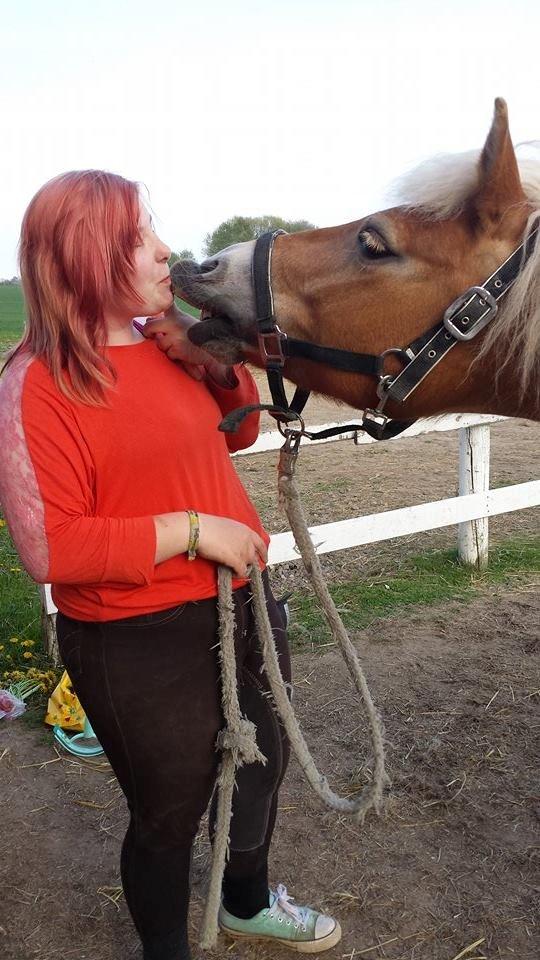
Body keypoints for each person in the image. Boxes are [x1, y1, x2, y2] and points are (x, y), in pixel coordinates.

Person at [0, 170, 341, 960]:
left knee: (261, 766)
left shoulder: (169, 340)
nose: (164, 250)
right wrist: (191, 530)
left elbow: (233, 435)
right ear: (84, 260)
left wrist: (212, 364)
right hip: (134, 635)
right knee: (170, 809)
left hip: (241, 601)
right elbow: (53, 549)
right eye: (137, 239)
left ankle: (247, 905)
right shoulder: (35, 385)